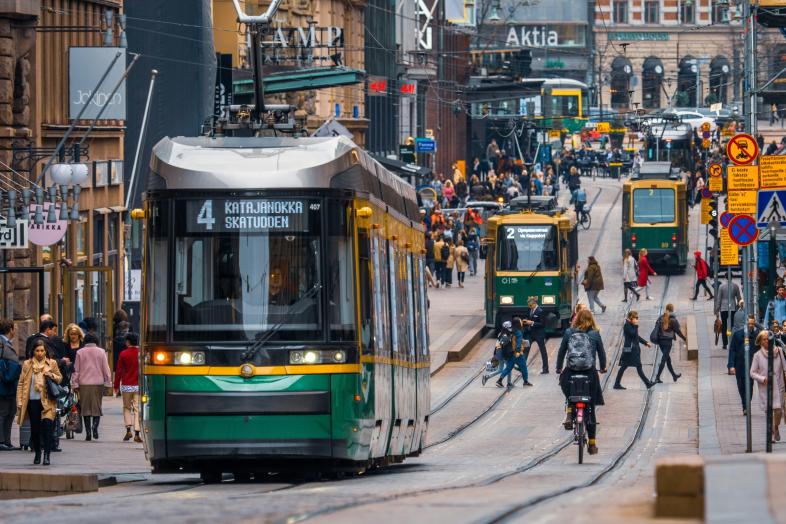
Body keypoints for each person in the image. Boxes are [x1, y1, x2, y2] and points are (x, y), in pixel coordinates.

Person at [556, 309, 607, 455]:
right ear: (591, 320)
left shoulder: (568, 333)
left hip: (571, 372)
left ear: (576, 319)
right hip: (590, 374)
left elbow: (561, 351)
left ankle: (570, 411)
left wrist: (559, 368)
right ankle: (592, 444)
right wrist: (603, 367)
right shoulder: (595, 334)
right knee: (590, 408)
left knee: (566, 386)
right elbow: (602, 353)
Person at [16, 339, 62, 465]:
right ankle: (37, 453)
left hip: (47, 402)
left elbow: (59, 378)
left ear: (45, 351)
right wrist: (19, 400)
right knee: (35, 430)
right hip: (32, 401)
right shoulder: (27, 364)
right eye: (37, 350)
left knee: (47, 429)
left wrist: (51, 375)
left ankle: (47, 455)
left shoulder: (51, 363)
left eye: (42, 350)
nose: (40, 353)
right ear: (33, 351)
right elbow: (21, 383)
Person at [71, 334, 111, 441]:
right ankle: (95, 428)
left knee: (85, 408)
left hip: (83, 384)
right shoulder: (101, 352)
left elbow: (76, 370)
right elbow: (106, 369)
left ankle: (88, 432)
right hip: (98, 383)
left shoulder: (80, 352)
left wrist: (74, 384)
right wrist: (108, 383)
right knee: (97, 407)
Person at [750, 331, 786, 441]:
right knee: (769, 412)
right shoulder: (757, 356)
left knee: (779, 410)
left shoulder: (779, 351)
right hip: (765, 388)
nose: (767, 341)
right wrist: (762, 379)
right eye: (764, 339)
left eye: (768, 339)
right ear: (760, 342)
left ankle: (775, 427)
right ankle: (770, 435)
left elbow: (785, 368)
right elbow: (752, 372)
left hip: (779, 386)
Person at [613, 311, 654, 390]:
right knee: (637, 366)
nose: (637, 320)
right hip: (631, 350)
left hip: (632, 350)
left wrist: (646, 343)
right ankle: (647, 383)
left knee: (625, 366)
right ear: (631, 318)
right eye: (636, 318)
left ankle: (616, 384)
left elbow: (636, 337)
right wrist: (635, 326)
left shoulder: (630, 325)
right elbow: (633, 334)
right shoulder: (627, 325)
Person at [729, 314, 761, 413]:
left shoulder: (757, 336)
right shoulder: (738, 335)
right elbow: (732, 350)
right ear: (746, 323)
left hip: (751, 366)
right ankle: (745, 404)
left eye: (752, 324)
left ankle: (746, 406)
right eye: (749, 323)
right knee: (741, 386)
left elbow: (760, 350)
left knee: (750, 386)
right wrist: (731, 365)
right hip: (739, 366)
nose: (751, 325)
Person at [114, 332, 142, 443]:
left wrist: (116, 386)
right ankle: (137, 433)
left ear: (128, 342)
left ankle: (128, 430)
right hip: (139, 385)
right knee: (137, 409)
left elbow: (119, 371)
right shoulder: (141, 353)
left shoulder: (123, 354)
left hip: (126, 385)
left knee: (126, 408)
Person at [0, 319, 20, 450]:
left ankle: (7, 441)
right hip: (3, 385)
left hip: (10, 384)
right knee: (3, 413)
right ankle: (1, 441)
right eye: (15, 328)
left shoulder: (7, 343)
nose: (16, 330)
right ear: (11, 329)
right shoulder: (1, 343)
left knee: (10, 412)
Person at [654, 304, 686, 383]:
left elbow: (656, 327)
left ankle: (674, 375)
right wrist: (684, 338)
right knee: (664, 359)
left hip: (661, 342)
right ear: (672, 309)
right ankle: (657, 377)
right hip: (668, 342)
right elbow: (678, 331)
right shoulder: (673, 320)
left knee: (667, 359)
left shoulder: (661, 318)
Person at [498, 318, 532, 387]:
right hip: (517, 354)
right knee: (524, 367)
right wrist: (518, 351)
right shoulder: (518, 332)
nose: (521, 322)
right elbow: (518, 342)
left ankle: (499, 380)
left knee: (508, 368)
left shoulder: (511, 330)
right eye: (520, 321)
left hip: (511, 353)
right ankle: (525, 381)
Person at [714, 279, 742, 350]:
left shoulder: (721, 286)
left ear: (724, 277)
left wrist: (717, 310)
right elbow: (739, 299)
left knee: (724, 326)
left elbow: (719, 299)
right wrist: (738, 307)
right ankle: (732, 342)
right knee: (733, 326)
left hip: (723, 309)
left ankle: (724, 344)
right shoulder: (735, 286)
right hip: (732, 308)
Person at [523, 297, 549, 374]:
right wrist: (526, 321)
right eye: (529, 305)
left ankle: (545, 368)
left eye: (530, 305)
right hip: (531, 333)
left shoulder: (540, 311)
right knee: (526, 349)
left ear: (534, 304)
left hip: (539, 334)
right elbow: (529, 317)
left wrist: (532, 323)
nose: (529, 307)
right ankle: (522, 366)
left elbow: (543, 324)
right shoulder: (530, 310)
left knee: (542, 351)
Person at [492, 321, 515, 388]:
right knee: (508, 367)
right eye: (509, 328)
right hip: (502, 354)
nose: (510, 329)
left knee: (500, 369)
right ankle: (506, 382)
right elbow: (503, 346)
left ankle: (487, 376)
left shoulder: (500, 334)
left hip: (499, 354)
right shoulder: (505, 336)